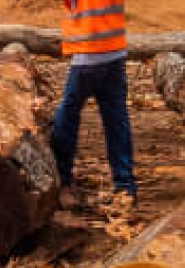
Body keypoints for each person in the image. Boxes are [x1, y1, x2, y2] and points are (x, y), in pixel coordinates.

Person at [50, 0, 137, 197]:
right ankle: (125, 185)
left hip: (88, 54)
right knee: (117, 120)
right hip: (115, 53)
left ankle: (63, 179)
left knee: (67, 115)